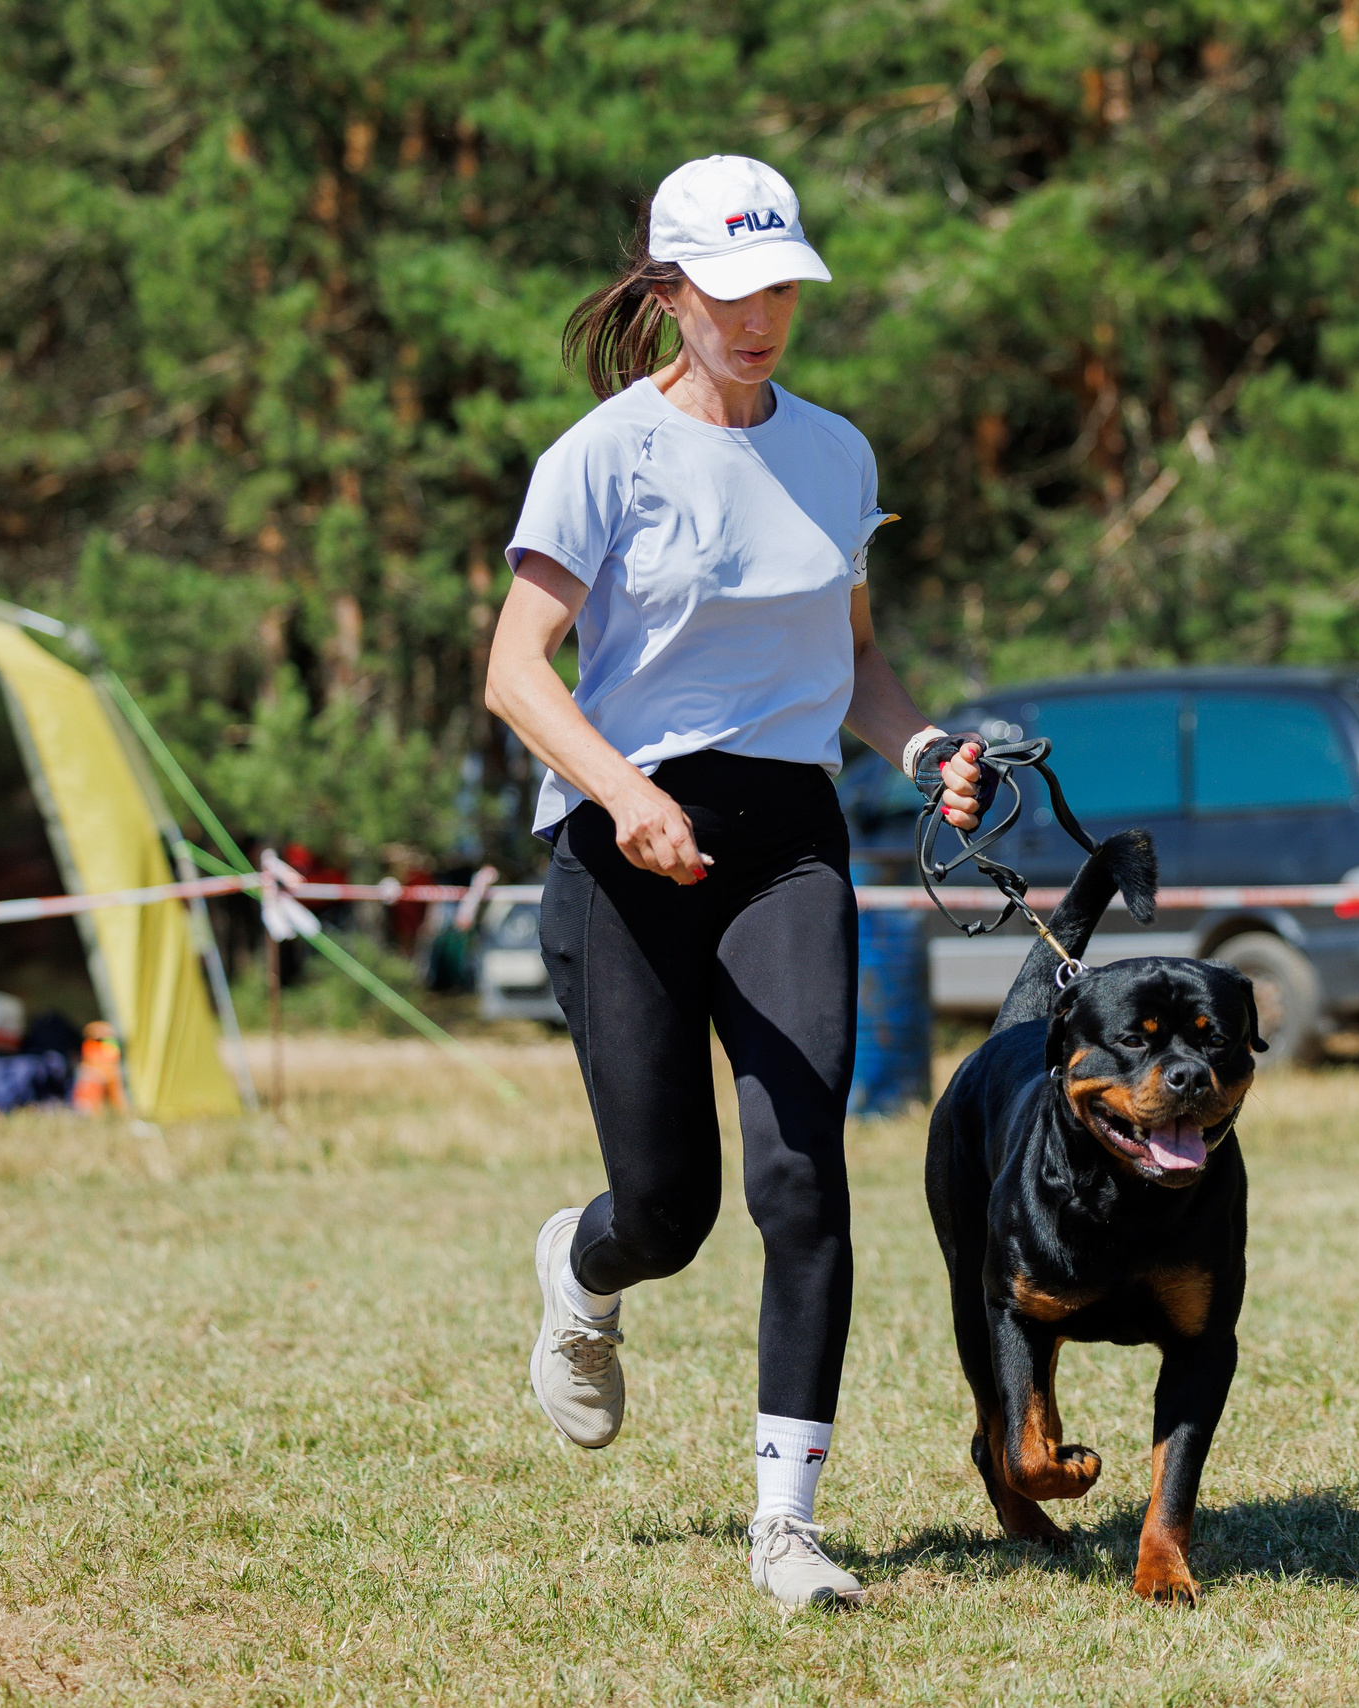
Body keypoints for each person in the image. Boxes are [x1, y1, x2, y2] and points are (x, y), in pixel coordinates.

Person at [483, 155, 987, 1610]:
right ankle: (584, 1275)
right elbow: (515, 672)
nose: (759, 318)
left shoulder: (836, 454)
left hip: (788, 842)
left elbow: (856, 662)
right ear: (667, 289)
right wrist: (626, 794)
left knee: (802, 1178)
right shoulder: (601, 456)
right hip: (626, 846)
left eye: (780, 289)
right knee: (669, 1209)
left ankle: (788, 1525)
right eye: (729, 291)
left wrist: (922, 748)